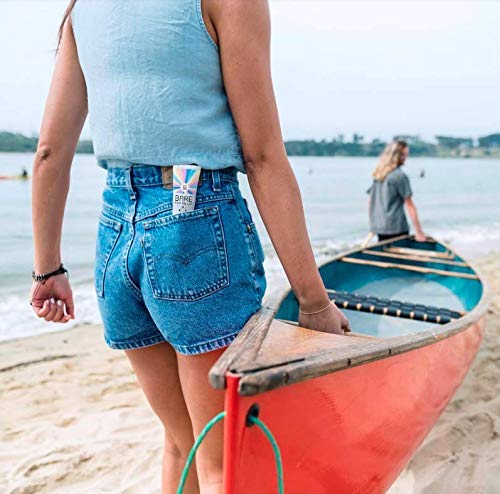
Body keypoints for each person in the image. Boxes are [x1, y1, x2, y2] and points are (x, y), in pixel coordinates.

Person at [29, 1, 350, 492]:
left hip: (116, 231)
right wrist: (314, 302)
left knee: (182, 443)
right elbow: (262, 156)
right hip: (196, 223)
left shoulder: (83, 8)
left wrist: (48, 269)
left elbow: (50, 154)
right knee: (223, 462)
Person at [367, 141, 426, 242]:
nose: (405, 158)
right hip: (396, 228)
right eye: (404, 155)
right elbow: (410, 205)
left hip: (380, 228)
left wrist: (374, 224)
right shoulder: (400, 176)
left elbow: (370, 202)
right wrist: (419, 232)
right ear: (397, 156)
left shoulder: (379, 175)